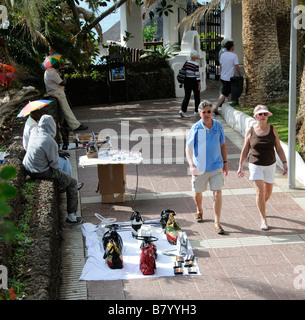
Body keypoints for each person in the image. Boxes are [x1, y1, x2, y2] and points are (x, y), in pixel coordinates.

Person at [23, 114, 83, 225]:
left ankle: (63, 185)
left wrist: (57, 153)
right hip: (40, 172)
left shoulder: (35, 131)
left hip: (27, 166)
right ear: (52, 126)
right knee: (73, 182)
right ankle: (71, 217)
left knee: (64, 174)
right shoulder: (50, 141)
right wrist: (58, 155)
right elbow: (55, 166)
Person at [237, 105, 288, 231]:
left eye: (265, 114)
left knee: (268, 191)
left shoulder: (273, 129)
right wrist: (240, 166)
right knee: (260, 191)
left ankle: (261, 205)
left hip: (270, 164)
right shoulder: (251, 130)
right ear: (255, 116)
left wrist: (285, 163)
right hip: (255, 164)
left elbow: (279, 148)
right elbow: (245, 149)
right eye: (260, 114)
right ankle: (263, 219)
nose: (263, 116)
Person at [186, 100, 228, 234]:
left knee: (217, 192)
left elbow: (222, 145)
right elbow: (188, 147)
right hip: (200, 167)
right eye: (204, 112)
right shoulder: (196, 128)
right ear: (200, 113)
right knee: (198, 192)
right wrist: (191, 165)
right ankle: (199, 210)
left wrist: (225, 163)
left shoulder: (218, 126)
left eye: (209, 112)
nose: (207, 114)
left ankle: (217, 222)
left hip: (216, 166)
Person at [44, 62, 88, 131]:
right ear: (53, 64)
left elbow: (60, 79)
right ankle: (75, 126)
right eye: (57, 63)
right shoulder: (52, 72)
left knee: (66, 109)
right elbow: (62, 83)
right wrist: (65, 79)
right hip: (57, 92)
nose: (58, 64)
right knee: (67, 109)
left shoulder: (49, 71)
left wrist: (62, 70)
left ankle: (69, 124)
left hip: (55, 92)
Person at [214, 41, 241, 115]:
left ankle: (229, 106)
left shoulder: (223, 55)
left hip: (223, 76)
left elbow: (221, 66)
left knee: (229, 92)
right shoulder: (234, 56)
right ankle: (216, 107)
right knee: (224, 93)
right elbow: (237, 66)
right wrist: (239, 74)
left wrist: (220, 74)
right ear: (232, 47)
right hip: (229, 78)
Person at [179, 49, 201, 118]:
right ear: (196, 56)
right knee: (197, 96)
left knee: (187, 96)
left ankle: (182, 110)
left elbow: (184, 72)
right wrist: (199, 83)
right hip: (194, 81)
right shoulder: (196, 64)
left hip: (186, 81)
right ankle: (196, 111)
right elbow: (197, 74)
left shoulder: (186, 62)